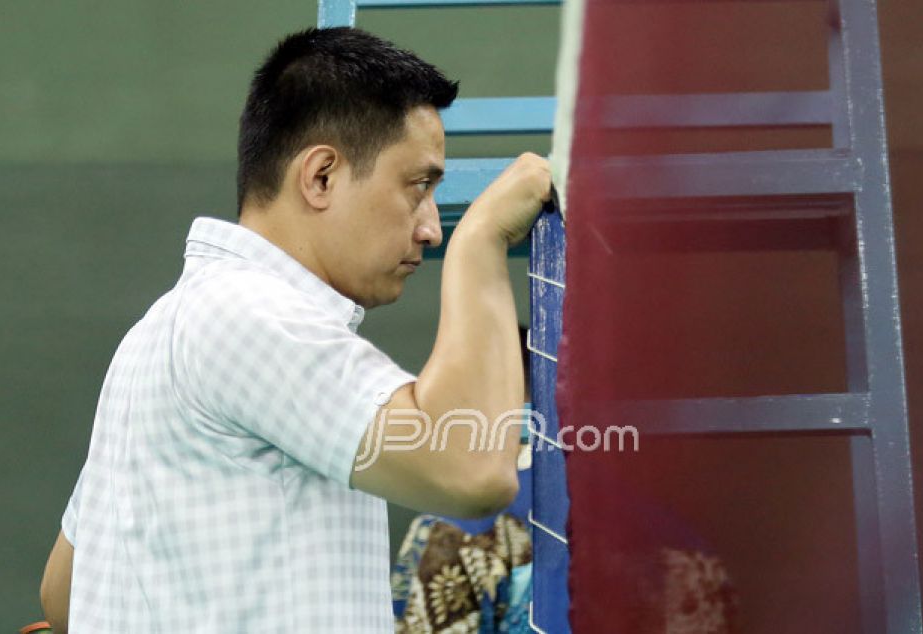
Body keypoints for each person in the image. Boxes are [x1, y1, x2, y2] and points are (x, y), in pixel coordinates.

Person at [38, 26, 551, 633]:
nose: (430, 228)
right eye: (418, 187)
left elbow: (64, 593)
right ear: (322, 177)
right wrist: (483, 241)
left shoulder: (157, 335)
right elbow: (473, 470)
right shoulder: (248, 316)